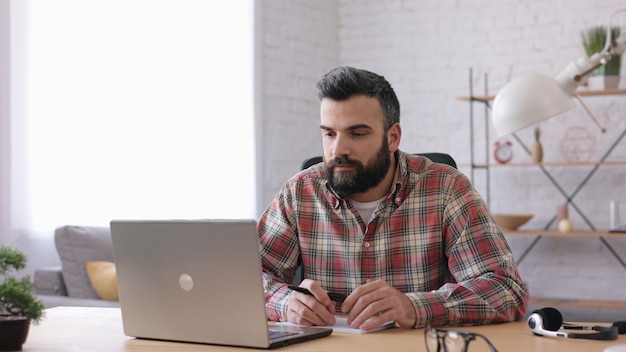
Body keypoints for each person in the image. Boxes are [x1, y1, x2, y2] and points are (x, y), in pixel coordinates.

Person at [258, 66, 529, 331]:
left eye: (357, 134)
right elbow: (244, 279)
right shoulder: (299, 193)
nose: (338, 149)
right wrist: (285, 303)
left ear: (392, 137)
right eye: (329, 133)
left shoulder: (446, 189)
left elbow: (506, 289)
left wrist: (415, 307)